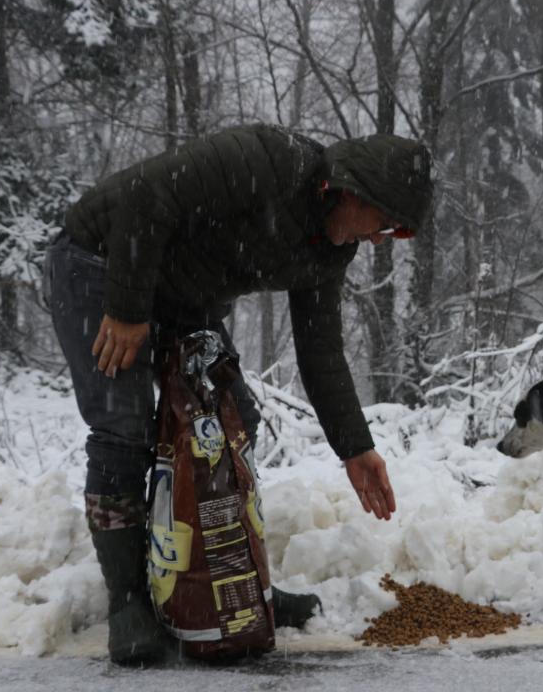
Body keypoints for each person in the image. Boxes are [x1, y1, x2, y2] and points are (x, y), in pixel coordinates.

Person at [43, 124, 433, 664]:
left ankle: (237, 583)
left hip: (180, 293)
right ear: (355, 190)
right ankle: (129, 601)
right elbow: (147, 194)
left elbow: (320, 351)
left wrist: (354, 446)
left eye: (394, 234)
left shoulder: (328, 250)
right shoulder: (270, 161)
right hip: (104, 260)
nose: (378, 239)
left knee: (232, 421)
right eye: (385, 225)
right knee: (122, 425)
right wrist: (130, 308)